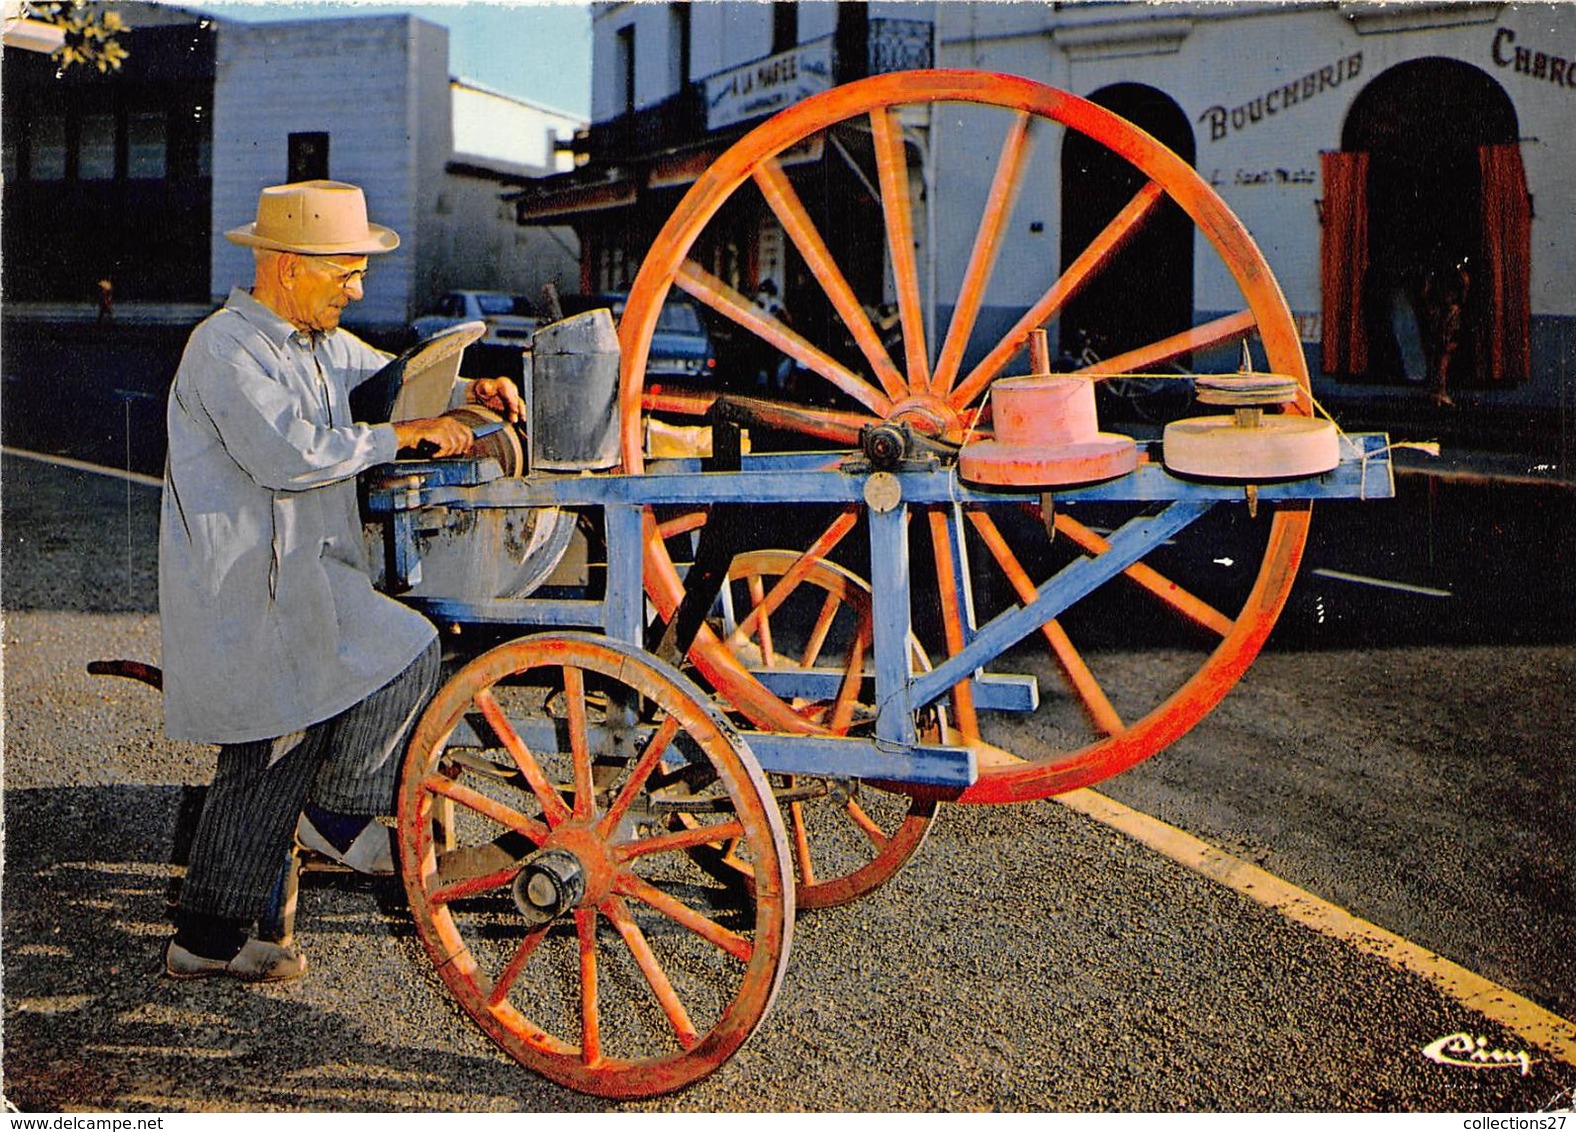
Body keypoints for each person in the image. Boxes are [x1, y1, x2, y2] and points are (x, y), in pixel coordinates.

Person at [159, 180, 524, 982]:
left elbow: (393, 377)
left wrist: (469, 391)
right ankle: (335, 814)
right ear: (289, 267)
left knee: (274, 751)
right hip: (245, 590)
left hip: (297, 580)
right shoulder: (223, 348)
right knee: (396, 655)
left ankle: (211, 940)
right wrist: (404, 434)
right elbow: (290, 453)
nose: (357, 290)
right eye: (345, 274)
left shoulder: (312, 340)